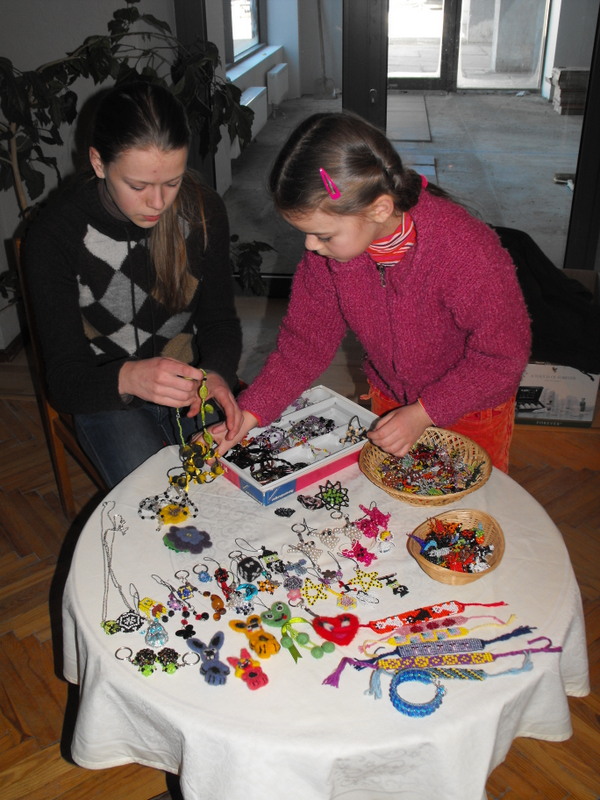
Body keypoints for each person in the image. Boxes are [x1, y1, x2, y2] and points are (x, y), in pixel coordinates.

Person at [209, 111, 531, 472]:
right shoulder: (327, 256)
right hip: (391, 401)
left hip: (471, 409)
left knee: (468, 501)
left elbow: (503, 358)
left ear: (379, 209)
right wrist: (252, 412)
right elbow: (304, 345)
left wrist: (425, 412)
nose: (311, 245)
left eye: (323, 234)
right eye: (307, 233)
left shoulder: (465, 251)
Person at [23, 82, 243, 488]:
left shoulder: (203, 211)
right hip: (107, 396)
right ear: (98, 162)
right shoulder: (55, 237)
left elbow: (220, 322)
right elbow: (65, 383)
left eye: (173, 182)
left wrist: (216, 372)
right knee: (161, 502)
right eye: (138, 186)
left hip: (192, 384)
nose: (158, 203)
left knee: (236, 487)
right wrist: (129, 378)